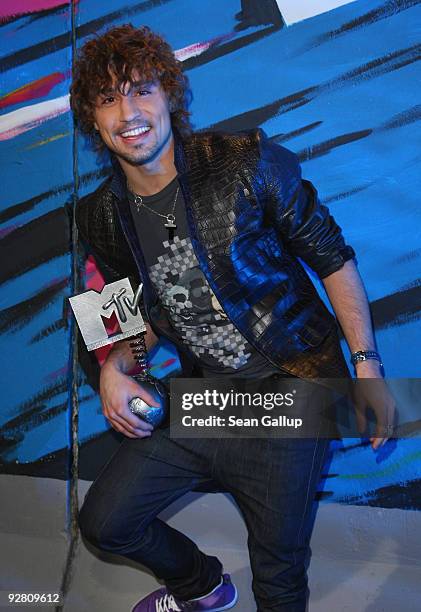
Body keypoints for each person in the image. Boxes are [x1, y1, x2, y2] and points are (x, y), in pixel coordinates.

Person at [70, 24, 393, 612]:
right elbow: (118, 307)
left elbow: (333, 259)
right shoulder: (96, 215)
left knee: (278, 574)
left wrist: (366, 367)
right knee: (106, 521)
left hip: (293, 387)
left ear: (169, 94)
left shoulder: (247, 161)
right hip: (203, 397)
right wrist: (116, 364)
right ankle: (203, 588)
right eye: (108, 98)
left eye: (141, 89)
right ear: (93, 119)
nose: (129, 112)